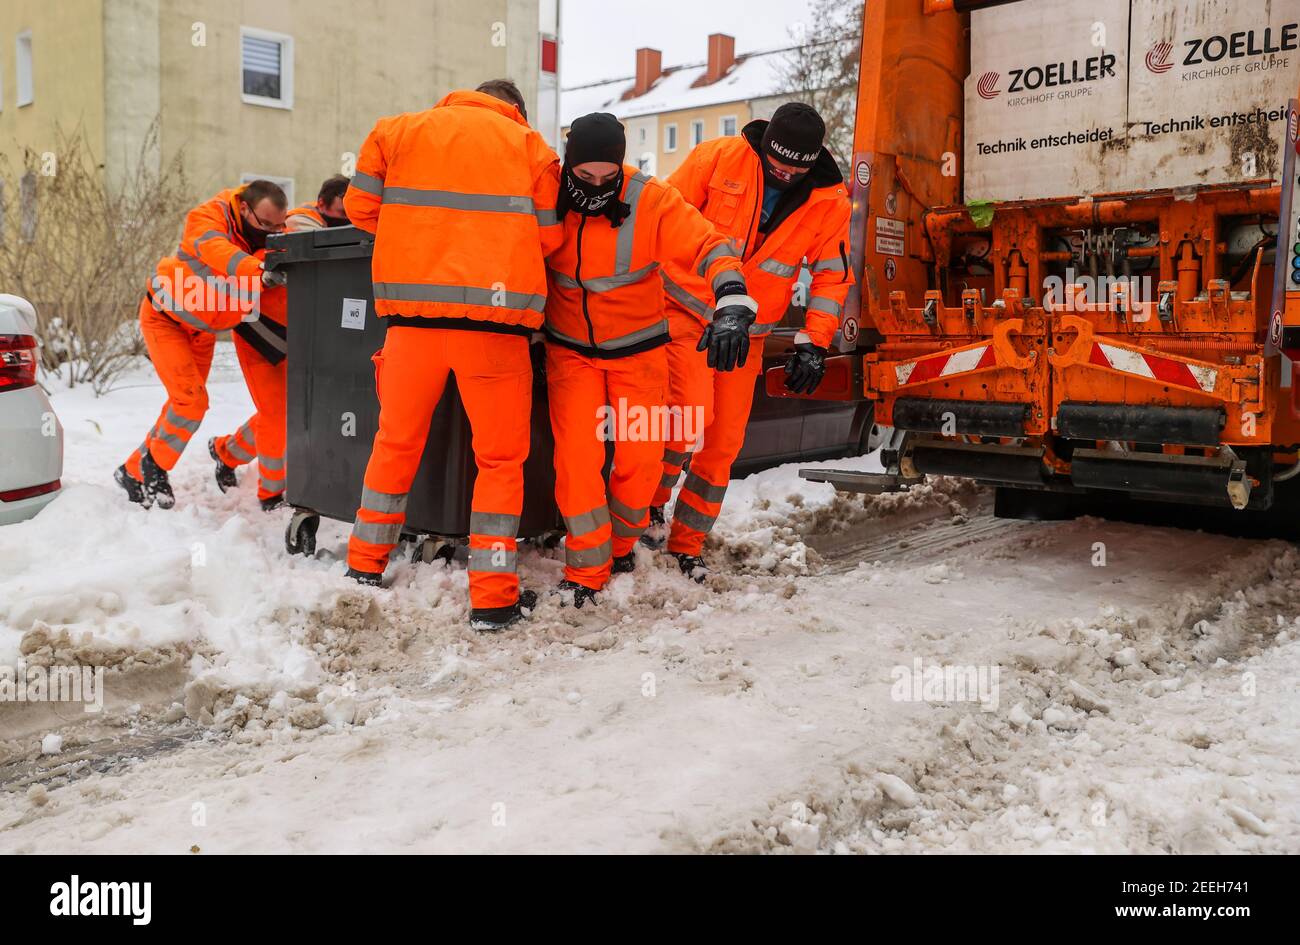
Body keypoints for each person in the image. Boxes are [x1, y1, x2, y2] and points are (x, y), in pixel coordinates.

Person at [343, 79, 561, 632]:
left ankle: (364, 565)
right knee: (499, 463)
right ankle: (492, 598)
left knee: (394, 445)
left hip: (411, 328)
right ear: (516, 110)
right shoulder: (530, 147)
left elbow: (359, 207)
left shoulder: (397, 131)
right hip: (494, 333)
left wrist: (415, 240)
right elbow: (550, 238)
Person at [543, 112, 753, 605]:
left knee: (640, 464)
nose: (596, 188)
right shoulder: (546, 193)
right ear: (569, 165)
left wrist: (731, 293)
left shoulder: (651, 199)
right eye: (585, 177)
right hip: (570, 353)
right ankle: (586, 572)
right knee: (577, 462)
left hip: (638, 354)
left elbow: (708, 243)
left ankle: (619, 547)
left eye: (608, 178)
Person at [651, 103, 853, 579]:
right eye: (776, 164)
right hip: (685, 311)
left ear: (812, 162)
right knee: (686, 418)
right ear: (764, 147)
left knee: (723, 443)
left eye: (794, 169)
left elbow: (831, 275)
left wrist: (814, 342)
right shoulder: (718, 159)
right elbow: (661, 219)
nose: (784, 174)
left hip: (750, 334)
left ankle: (687, 544)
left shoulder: (830, 201)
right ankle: (646, 515)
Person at [115, 180, 288, 508]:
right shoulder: (208, 217)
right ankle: (155, 467)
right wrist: (258, 270)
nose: (273, 232)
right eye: (265, 224)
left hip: (202, 331)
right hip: (166, 319)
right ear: (244, 209)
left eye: (278, 226)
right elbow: (217, 251)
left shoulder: (270, 235)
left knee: (185, 403)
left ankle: (131, 471)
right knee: (190, 403)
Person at [207, 175, 353, 509]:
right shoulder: (300, 226)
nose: (346, 221)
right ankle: (271, 494)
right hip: (259, 332)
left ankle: (226, 451)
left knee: (285, 412)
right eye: (340, 214)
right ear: (322, 205)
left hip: (295, 332)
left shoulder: (337, 229)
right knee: (276, 414)